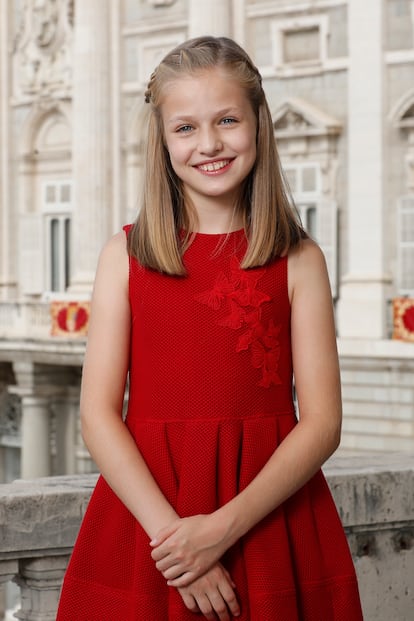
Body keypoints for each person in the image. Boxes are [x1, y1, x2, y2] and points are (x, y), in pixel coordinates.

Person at [57, 36, 363, 620]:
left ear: (258, 124)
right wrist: (177, 544)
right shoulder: (124, 255)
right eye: (186, 128)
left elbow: (323, 423)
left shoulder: (299, 260)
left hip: (267, 521)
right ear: (163, 140)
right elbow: (97, 416)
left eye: (227, 120)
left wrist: (220, 531)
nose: (210, 144)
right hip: (150, 524)